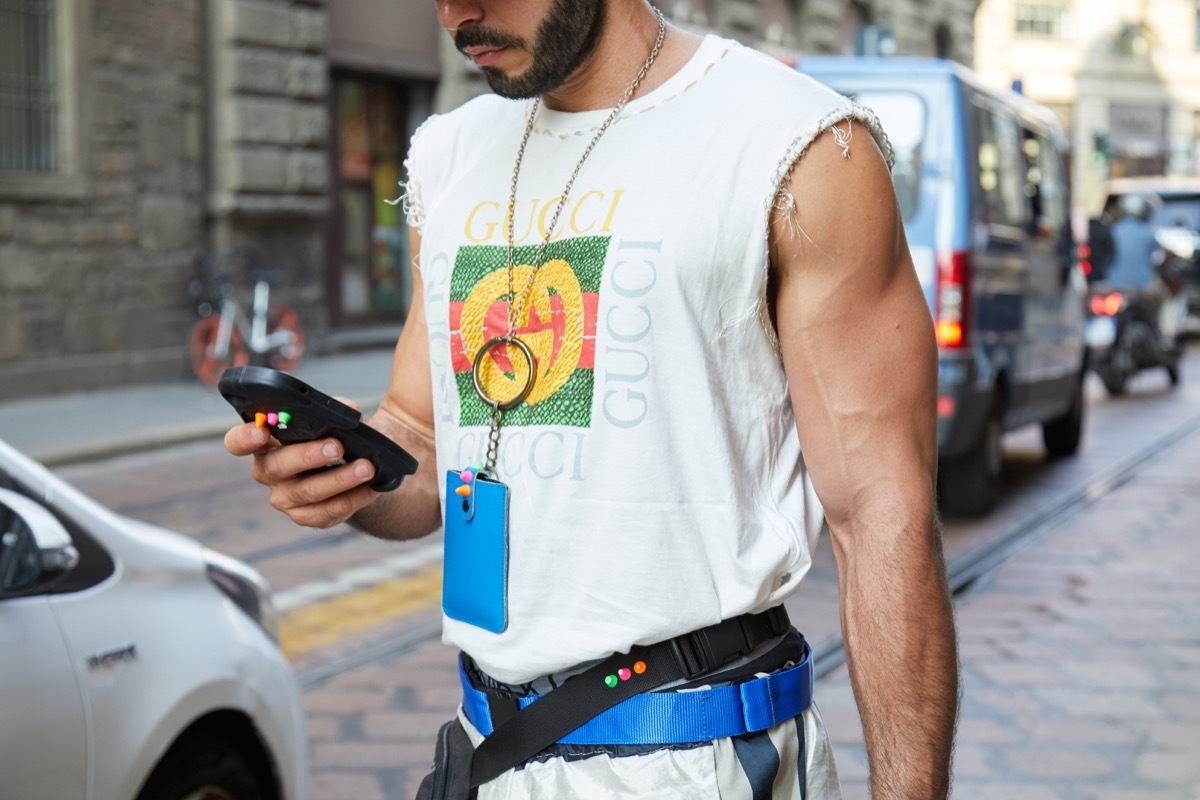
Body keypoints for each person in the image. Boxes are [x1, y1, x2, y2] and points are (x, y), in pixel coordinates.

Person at [224, 1, 958, 797]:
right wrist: (342, 471)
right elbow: (421, 438)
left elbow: (884, 512)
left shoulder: (796, 144)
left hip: (698, 755)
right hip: (491, 752)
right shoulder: (449, 154)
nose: (455, 15)